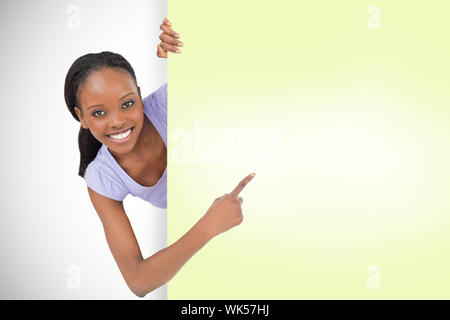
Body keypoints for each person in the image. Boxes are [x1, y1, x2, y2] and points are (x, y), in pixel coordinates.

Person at [64, 18, 255, 298]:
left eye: (128, 104)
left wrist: (188, 43)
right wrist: (209, 226)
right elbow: (138, 281)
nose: (117, 122)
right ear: (81, 117)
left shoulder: (169, 102)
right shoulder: (102, 178)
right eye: (99, 113)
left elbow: (235, 63)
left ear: (140, 96)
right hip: (228, 229)